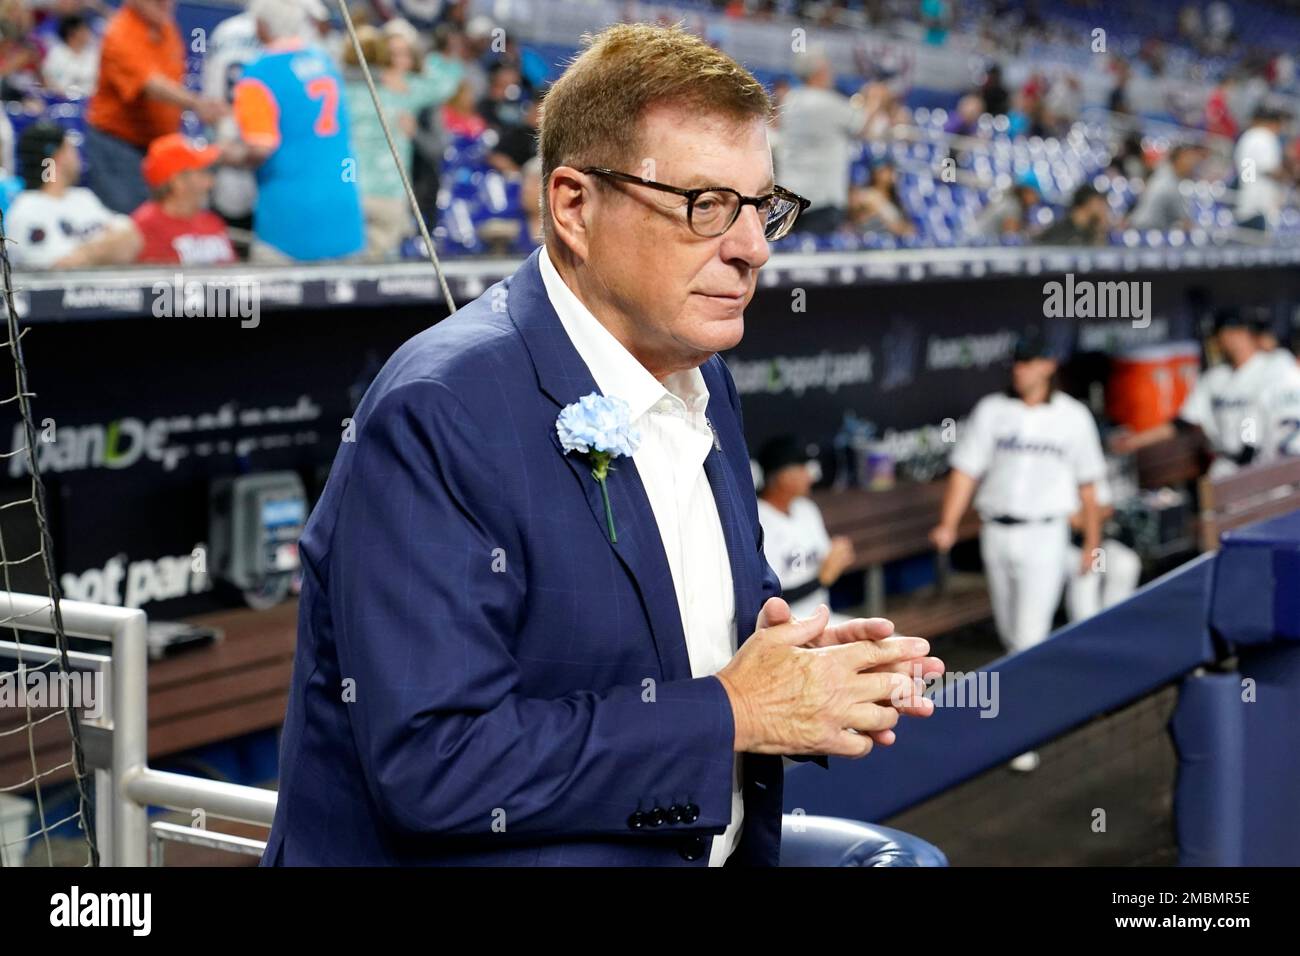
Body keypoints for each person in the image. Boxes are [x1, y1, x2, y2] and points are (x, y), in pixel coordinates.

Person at [262, 23, 940, 868]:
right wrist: (737, 709)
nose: (754, 248)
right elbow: (435, 764)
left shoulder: (703, 374)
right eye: (706, 206)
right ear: (575, 206)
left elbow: (686, 656)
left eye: (762, 207)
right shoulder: (438, 410)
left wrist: (802, 682)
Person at [930, 331, 1104, 771]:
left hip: (1046, 533)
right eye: (1017, 361)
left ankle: (1020, 735)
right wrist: (948, 523)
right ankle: (1032, 712)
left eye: (1028, 361)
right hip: (997, 531)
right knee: (1010, 635)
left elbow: (1089, 486)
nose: (1019, 368)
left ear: (1048, 365)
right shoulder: (993, 410)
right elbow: (966, 471)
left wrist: (1092, 543)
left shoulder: (1073, 416)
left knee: (1027, 639)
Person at [228, 0, 363, 263]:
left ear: (260, 25)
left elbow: (260, 147)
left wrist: (223, 155)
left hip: (289, 222)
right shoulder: (324, 62)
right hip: (344, 213)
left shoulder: (259, 75)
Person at [1112, 307, 1300, 476]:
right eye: (1224, 333)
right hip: (1228, 464)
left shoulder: (1276, 365)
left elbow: (1253, 418)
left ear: (1247, 333)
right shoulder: (1214, 378)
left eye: (1236, 331)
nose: (1230, 338)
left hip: (1267, 462)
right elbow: (1184, 422)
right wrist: (1136, 441)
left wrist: (1248, 447)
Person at [84, 0, 227, 214]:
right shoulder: (120, 31)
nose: (165, 4)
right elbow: (150, 84)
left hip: (157, 145)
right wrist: (197, 104)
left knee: (160, 219)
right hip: (119, 147)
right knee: (129, 220)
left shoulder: (166, 28)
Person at [5, 120, 141, 268]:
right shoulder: (27, 210)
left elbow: (131, 238)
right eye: (71, 149)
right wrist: (105, 247)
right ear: (58, 157)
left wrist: (85, 254)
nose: (78, 158)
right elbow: (55, 268)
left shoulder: (83, 197)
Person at [755, 435, 856, 623]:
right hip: (784, 626)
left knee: (891, 642)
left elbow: (826, 564)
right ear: (783, 477)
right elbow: (767, 599)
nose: (810, 476)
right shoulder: (758, 519)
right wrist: (822, 579)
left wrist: (838, 555)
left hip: (822, 617)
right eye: (802, 469)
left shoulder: (806, 509)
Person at [773, 52, 868, 236]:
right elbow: (863, 125)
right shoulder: (829, 103)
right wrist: (874, 98)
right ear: (820, 73)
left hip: (789, 194)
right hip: (821, 201)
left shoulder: (790, 99)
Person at [131, 133, 236, 265]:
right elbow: (158, 282)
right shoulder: (145, 226)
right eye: (202, 173)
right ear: (178, 182)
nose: (211, 183)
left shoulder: (212, 222)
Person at [1062, 477, 1142, 622]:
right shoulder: (1058, 474)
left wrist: (1087, 518)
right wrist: (1090, 516)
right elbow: (1071, 520)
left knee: (1125, 563)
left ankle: (1113, 624)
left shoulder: (1091, 472)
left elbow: (1107, 509)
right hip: (1065, 547)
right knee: (1087, 577)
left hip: (1094, 545)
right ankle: (1086, 634)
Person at [1128, 144, 1204, 232]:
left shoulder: (1164, 173)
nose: (1191, 165)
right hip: (1145, 231)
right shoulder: (1168, 182)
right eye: (1188, 160)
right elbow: (1185, 220)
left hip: (1142, 226)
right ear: (1178, 160)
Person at [1234, 107, 1288, 231]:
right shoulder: (1264, 137)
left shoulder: (1247, 136)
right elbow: (1270, 169)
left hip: (1246, 200)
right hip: (1261, 204)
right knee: (1261, 247)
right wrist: (1288, 177)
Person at [40, 13, 100, 97]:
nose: (88, 33)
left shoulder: (94, 53)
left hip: (90, 100)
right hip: (62, 101)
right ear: (72, 33)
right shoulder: (57, 53)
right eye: (84, 29)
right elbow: (46, 79)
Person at [1036, 183, 1110, 246]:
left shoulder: (1089, 231)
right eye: (1098, 202)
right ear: (1087, 204)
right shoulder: (1061, 233)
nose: (1103, 207)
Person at [973, 172, 1040, 239]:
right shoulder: (1013, 206)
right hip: (978, 243)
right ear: (1025, 191)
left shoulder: (1010, 201)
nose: (1037, 198)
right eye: (1035, 193)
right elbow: (1011, 236)